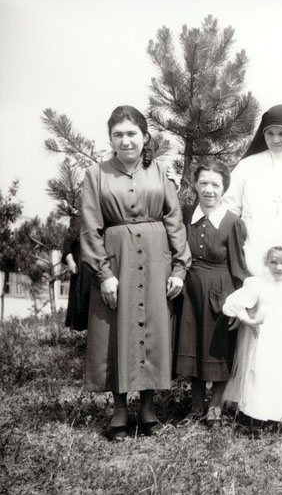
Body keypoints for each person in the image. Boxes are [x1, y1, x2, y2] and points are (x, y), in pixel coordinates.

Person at [80, 105, 191, 441]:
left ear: (145, 137)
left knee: (152, 330)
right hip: (118, 260)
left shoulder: (160, 171)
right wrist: (104, 274)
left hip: (157, 260)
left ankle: (148, 409)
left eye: (132, 133)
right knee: (117, 330)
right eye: (118, 135)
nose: (125, 140)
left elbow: (175, 221)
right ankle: (118, 412)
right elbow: (89, 228)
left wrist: (180, 268)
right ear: (110, 139)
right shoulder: (96, 174)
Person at [174, 160, 249, 428]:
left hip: (220, 294)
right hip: (189, 294)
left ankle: (215, 407)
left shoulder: (232, 222)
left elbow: (239, 269)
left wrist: (239, 306)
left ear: (224, 189)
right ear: (195, 185)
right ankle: (196, 407)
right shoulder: (185, 216)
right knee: (192, 346)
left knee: (218, 349)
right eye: (203, 183)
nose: (209, 190)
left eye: (215, 185)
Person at [222, 243, 282, 424]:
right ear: (265, 263)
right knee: (263, 373)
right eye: (273, 262)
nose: (279, 268)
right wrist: (246, 319)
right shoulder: (258, 285)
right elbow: (232, 303)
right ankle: (260, 413)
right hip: (265, 339)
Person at [223, 104, 282, 274]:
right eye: (270, 133)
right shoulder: (247, 166)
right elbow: (229, 208)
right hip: (254, 250)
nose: (275, 140)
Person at [62, 214, 91, 331]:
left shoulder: (106, 214)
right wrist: (70, 260)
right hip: (81, 266)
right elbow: (67, 244)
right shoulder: (78, 217)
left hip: (101, 266)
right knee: (81, 305)